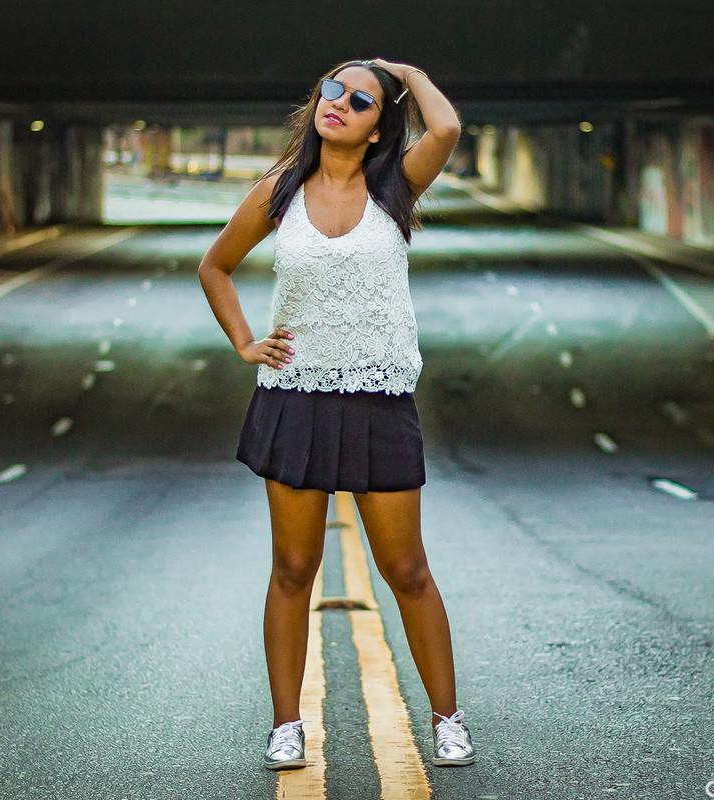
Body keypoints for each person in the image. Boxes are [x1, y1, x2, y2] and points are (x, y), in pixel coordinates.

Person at [198, 58, 474, 771]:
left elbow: (446, 125)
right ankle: (285, 726)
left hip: (380, 399)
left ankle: (447, 719)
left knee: (406, 568)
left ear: (380, 124)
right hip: (293, 399)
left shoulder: (397, 187)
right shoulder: (278, 193)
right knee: (293, 567)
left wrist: (405, 71)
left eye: (359, 100)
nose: (339, 104)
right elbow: (215, 266)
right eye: (332, 89)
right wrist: (244, 342)